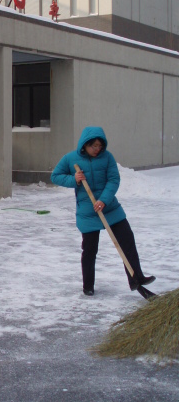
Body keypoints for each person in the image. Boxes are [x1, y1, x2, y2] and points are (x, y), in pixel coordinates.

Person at [51, 126, 156, 296]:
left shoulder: (107, 157)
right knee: (90, 249)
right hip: (87, 212)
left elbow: (114, 179)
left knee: (127, 240)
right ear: (85, 144)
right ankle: (88, 286)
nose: (97, 149)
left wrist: (103, 200)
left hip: (110, 208)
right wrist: (74, 179)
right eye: (94, 146)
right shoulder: (70, 158)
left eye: (100, 146)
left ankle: (136, 278)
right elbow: (55, 176)